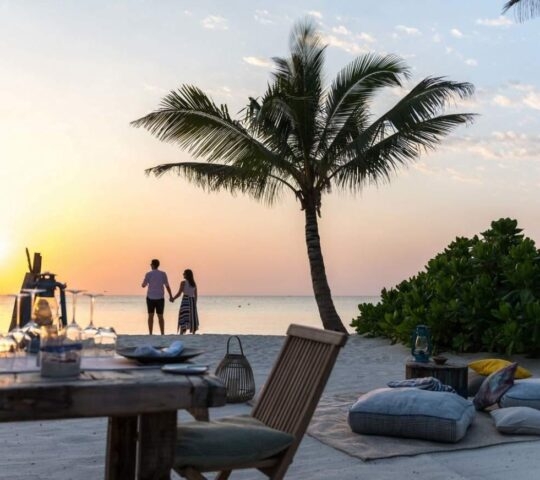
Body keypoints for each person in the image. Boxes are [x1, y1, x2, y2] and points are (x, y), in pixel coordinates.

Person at [141, 259, 173, 335]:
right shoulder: (163, 274)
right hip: (160, 298)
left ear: (152, 265)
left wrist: (144, 284)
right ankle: (162, 333)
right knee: (160, 317)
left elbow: (143, 285)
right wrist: (171, 296)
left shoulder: (148, 274)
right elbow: (167, 286)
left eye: (151, 264)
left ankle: (150, 333)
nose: (150, 265)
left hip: (150, 298)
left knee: (150, 316)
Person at [171, 269, 199, 334]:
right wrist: (195, 303)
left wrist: (173, 298)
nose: (183, 274)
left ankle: (182, 332)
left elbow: (179, 293)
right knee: (192, 316)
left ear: (187, 275)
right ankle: (193, 333)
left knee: (184, 316)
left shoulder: (183, 283)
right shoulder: (194, 284)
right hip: (192, 301)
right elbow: (196, 295)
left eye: (184, 273)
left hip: (185, 300)